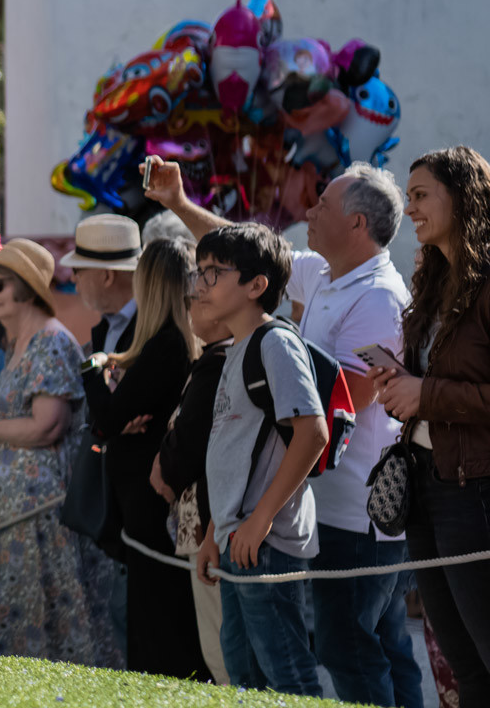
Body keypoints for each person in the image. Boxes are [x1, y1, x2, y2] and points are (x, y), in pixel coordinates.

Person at [149, 157, 422, 705]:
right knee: (352, 650)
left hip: (353, 514)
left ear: (357, 225)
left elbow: (346, 400)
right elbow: (242, 257)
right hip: (292, 508)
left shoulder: (377, 296)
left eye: (323, 203)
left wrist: (278, 361)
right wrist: (179, 206)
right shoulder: (322, 275)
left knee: (348, 652)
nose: (308, 210)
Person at [0, 240, 119, 666]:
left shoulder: (51, 341)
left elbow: (49, 424)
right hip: (6, 507)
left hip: (38, 509)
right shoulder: (17, 345)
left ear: (27, 287)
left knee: (43, 615)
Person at [373, 147, 490, 706]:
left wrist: (427, 394)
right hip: (424, 483)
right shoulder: (433, 281)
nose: (410, 209)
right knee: (463, 664)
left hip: (475, 492)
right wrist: (402, 385)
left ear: (461, 197)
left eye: (420, 195)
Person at [191, 224, 326, 696]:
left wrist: (260, 519)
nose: (202, 284)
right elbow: (232, 452)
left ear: (256, 285)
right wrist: (214, 533)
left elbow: (313, 433)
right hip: (236, 539)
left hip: (264, 542)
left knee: (287, 675)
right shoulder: (237, 348)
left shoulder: (275, 343)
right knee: (244, 677)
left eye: (215, 272)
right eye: (200, 271)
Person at [79, 239, 206, 678]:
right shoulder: (166, 344)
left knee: (159, 623)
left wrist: (91, 369)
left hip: (151, 504)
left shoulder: (166, 346)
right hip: (144, 500)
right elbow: (115, 420)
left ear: (148, 283)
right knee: (154, 615)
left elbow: (111, 417)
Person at [153, 305, 234, 684]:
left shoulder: (218, 361)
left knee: (221, 649)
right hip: (202, 525)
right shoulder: (215, 358)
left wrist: (164, 463)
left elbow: (189, 440)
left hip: (208, 526)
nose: (190, 308)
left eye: (202, 299)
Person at [63, 214, 141, 361]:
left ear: (107, 277)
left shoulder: (149, 329)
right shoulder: (108, 325)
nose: (73, 279)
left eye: (76, 270)